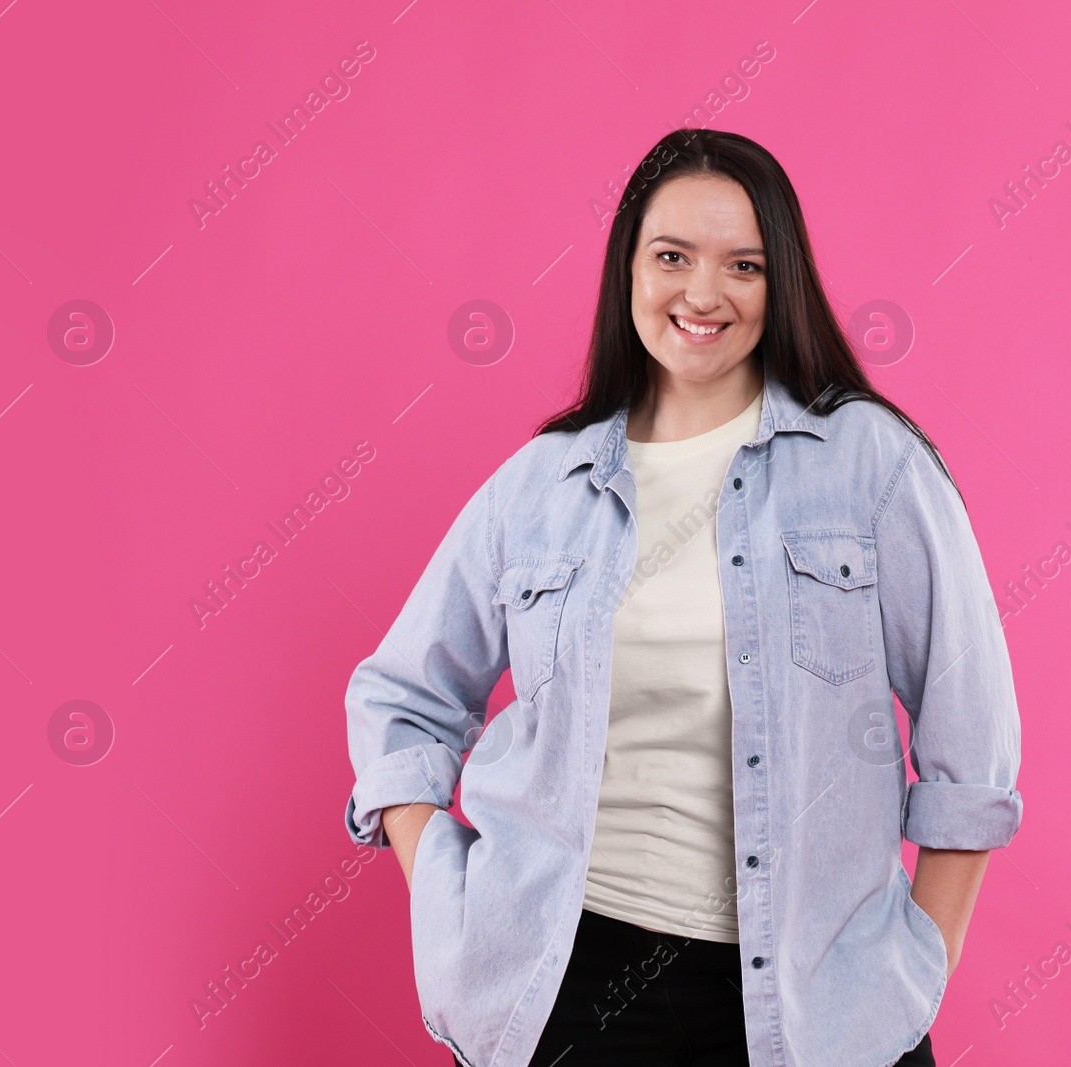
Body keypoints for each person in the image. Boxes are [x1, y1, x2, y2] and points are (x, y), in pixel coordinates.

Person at [343, 128, 1023, 1067]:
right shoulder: (543, 484)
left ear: (779, 283)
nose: (703, 294)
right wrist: (448, 898)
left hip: (812, 1003)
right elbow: (400, 699)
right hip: (563, 987)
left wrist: (911, 972)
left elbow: (971, 740)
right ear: (628, 268)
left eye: (742, 265)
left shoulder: (871, 464)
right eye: (672, 256)